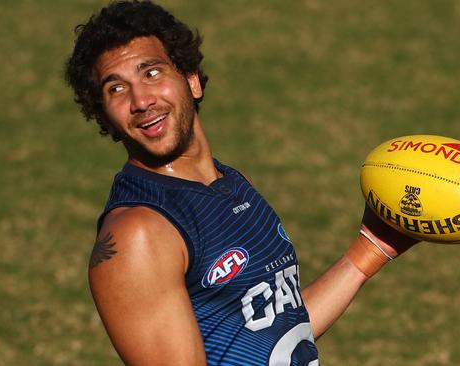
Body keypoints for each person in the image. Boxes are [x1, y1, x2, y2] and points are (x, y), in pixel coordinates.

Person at [65, 1, 417, 365]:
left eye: (151, 73)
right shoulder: (138, 235)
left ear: (191, 80)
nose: (141, 100)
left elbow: (275, 335)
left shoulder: (234, 183)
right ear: (103, 116)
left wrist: (371, 250)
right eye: (117, 90)